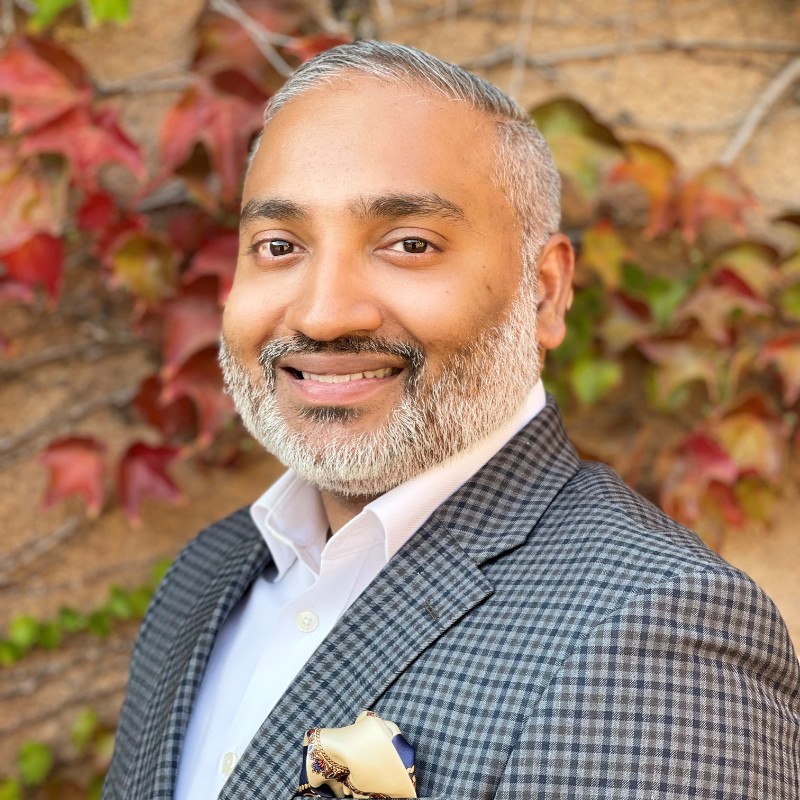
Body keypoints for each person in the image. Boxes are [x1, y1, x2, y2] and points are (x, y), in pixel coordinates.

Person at [103, 41, 800, 800]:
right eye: (279, 245)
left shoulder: (656, 633)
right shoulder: (208, 574)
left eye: (409, 244)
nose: (325, 313)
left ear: (545, 292)